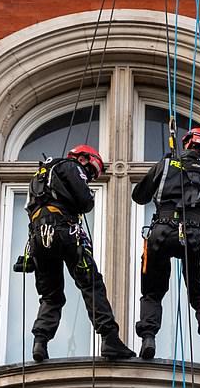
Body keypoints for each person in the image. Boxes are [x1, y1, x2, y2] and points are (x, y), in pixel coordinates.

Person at [20, 145, 135, 363]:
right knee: (91, 284)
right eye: (90, 172)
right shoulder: (71, 166)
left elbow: (30, 207)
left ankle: (40, 341)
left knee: (51, 295)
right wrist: (85, 194)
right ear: (83, 159)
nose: (89, 177)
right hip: (64, 231)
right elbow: (85, 201)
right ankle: (110, 339)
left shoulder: (40, 176)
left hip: (38, 237)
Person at [131, 127, 200, 367]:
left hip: (161, 231)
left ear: (187, 143)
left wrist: (164, 168)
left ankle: (148, 339)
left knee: (152, 291)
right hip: (193, 235)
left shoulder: (166, 165)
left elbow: (139, 196)